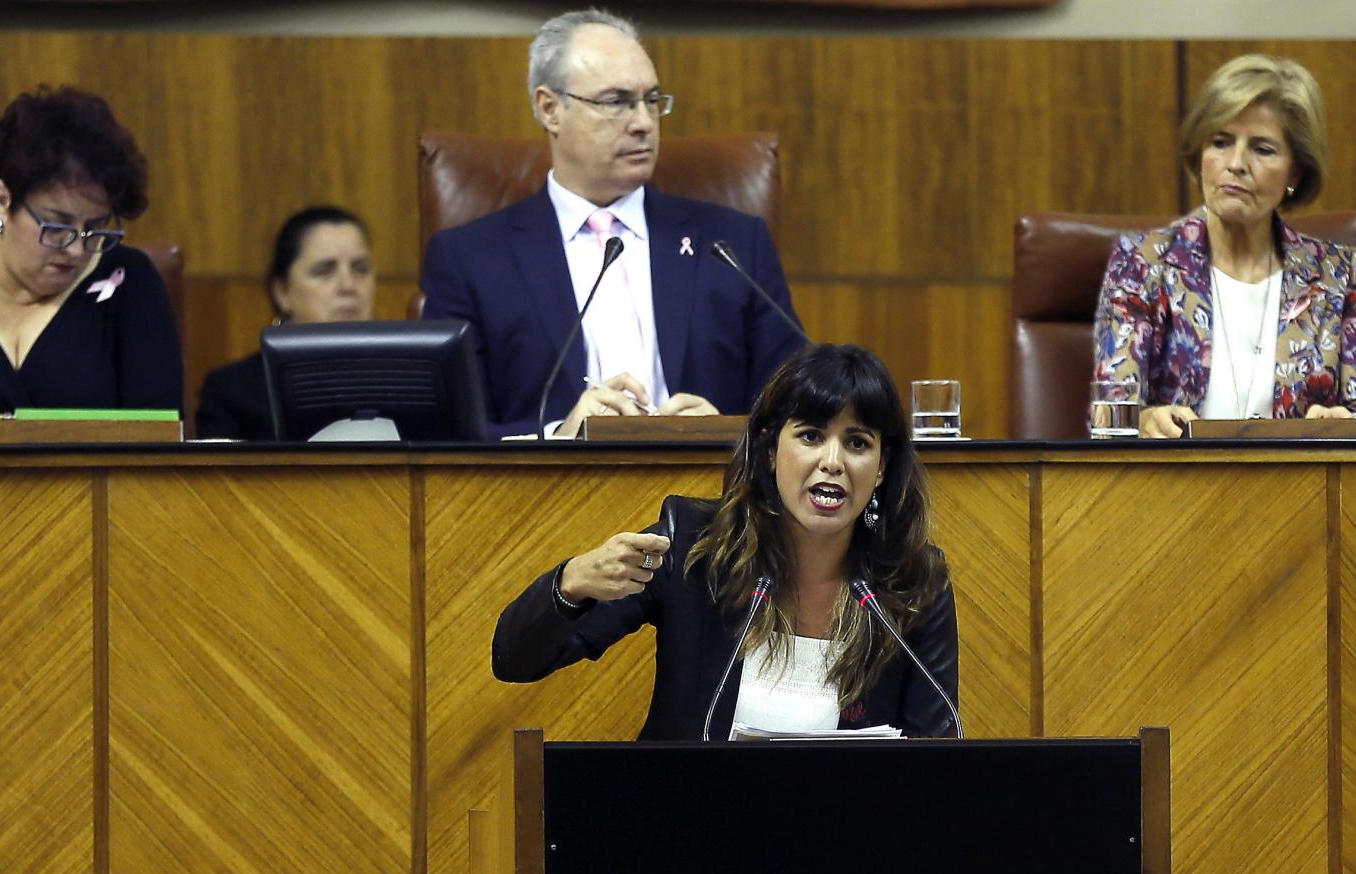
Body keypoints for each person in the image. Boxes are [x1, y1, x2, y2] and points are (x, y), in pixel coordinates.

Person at [491, 343, 959, 740]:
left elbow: (937, 756)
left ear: (880, 467)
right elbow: (514, 659)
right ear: (772, 451)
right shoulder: (695, 548)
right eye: (811, 436)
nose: (832, 461)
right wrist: (570, 585)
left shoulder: (913, 584)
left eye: (857, 443)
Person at [420, 9, 807, 438]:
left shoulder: (733, 244)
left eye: (652, 100)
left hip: (713, 492)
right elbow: (447, 435)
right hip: (544, 498)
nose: (644, 123)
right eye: (616, 102)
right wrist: (557, 437)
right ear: (550, 109)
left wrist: (728, 432)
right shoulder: (470, 259)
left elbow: (798, 407)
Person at [1094, 54, 1356, 437]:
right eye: (1220, 142)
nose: (1236, 163)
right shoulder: (1143, 264)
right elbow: (1108, 418)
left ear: (1296, 171)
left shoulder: (1336, 274)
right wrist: (1142, 420)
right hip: (1174, 487)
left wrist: (1345, 424)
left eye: (1262, 149)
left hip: (1299, 489)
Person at [0, 86, 180, 419]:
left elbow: (159, 440)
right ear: (2, 201)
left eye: (95, 228)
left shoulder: (128, 284)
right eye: (57, 227)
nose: (76, 249)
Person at [195, 206, 375, 440]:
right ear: (282, 291)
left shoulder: (404, 380)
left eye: (360, 269)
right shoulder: (233, 390)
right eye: (324, 271)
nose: (348, 286)